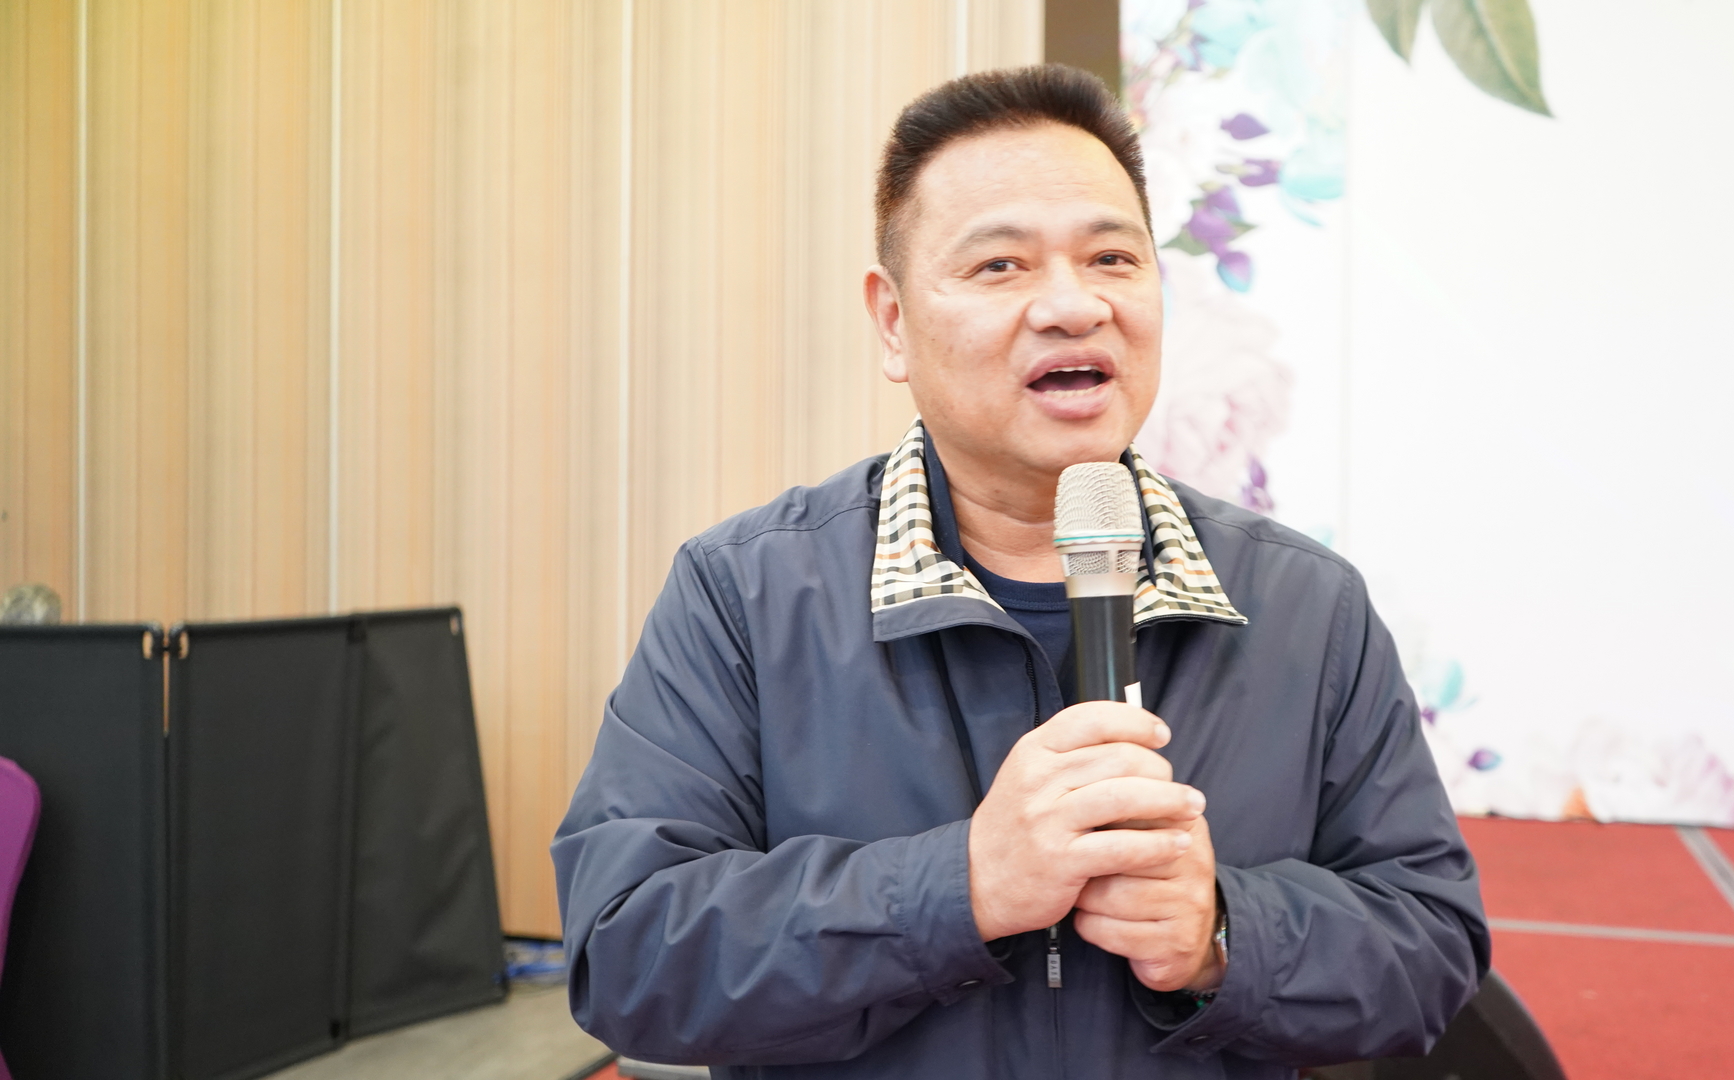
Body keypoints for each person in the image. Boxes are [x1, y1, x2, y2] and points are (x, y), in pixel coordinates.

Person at [552, 65, 1488, 1079]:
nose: (1072, 305)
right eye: (999, 265)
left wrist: (1225, 934)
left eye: (1111, 257)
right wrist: (961, 885)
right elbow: (628, 957)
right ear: (892, 322)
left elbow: (1431, 951)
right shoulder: (744, 595)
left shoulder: (1305, 604)